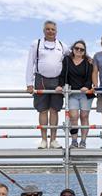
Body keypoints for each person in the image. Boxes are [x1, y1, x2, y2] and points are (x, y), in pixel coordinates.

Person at [25, 20, 68, 149]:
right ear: (44, 30)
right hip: (41, 80)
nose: (50, 31)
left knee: (54, 110)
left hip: (57, 81)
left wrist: (88, 58)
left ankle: (53, 140)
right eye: (48, 29)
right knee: (42, 110)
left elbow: (74, 56)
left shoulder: (62, 45)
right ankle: (44, 140)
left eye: (53, 29)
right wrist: (29, 83)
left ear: (56, 31)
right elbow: (30, 63)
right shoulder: (36, 44)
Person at [60, 39, 93, 149]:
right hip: (72, 93)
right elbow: (63, 74)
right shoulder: (67, 60)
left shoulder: (88, 62)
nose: (79, 50)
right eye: (77, 48)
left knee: (84, 116)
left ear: (84, 51)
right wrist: (61, 85)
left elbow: (90, 78)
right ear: (73, 49)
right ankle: (74, 141)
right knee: (74, 117)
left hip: (85, 93)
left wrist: (87, 87)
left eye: (81, 49)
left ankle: (83, 141)